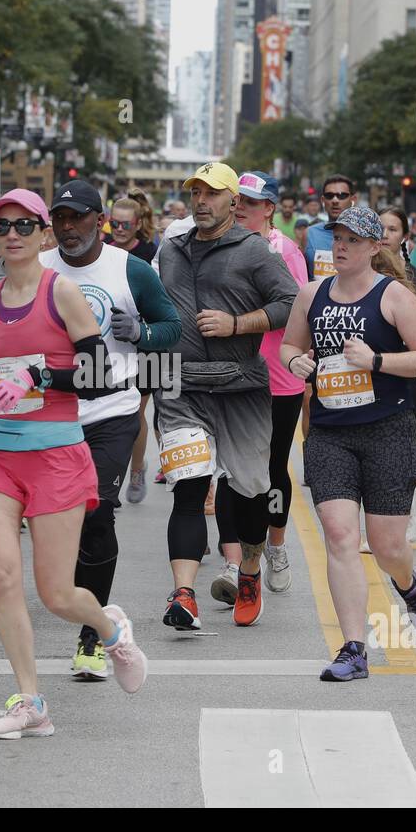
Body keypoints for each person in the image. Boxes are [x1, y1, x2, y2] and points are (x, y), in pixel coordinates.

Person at [0, 190, 145, 736]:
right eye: (1, 226)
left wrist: (38, 377)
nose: (11, 234)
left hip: (56, 454)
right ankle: (30, 702)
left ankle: (110, 631)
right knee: (2, 577)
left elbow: (98, 374)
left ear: (43, 234)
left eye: (24, 225)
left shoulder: (62, 292)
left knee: (57, 594)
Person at [280, 206, 416, 680]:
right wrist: (296, 365)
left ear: (375, 247)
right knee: (340, 535)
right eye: (337, 237)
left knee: (387, 545)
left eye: (353, 239)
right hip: (329, 433)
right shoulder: (312, 295)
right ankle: (353, 648)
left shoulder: (393, 297)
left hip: (387, 430)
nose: (342, 246)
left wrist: (376, 361)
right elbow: (290, 346)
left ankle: (409, 589)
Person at [42, 179, 180, 679]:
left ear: (99, 222)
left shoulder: (131, 270)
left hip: (112, 409)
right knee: (54, 518)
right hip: (50, 410)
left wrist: (140, 332)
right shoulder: (38, 269)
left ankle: (93, 636)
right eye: (59, 218)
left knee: (96, 509)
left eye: (77, 218)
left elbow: (173, 328)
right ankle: (78, 601)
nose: (67, 227)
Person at [155, 162, 298, 629]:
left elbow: (290, 304)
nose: (201, 200)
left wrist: (238, 323)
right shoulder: (171, 250)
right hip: (182, 387)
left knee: (253, 491)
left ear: (233, 202)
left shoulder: (255, 251)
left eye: (212, 193)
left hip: (241, 385)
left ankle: (251, 568)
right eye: (195, 192)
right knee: (190, 486)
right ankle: (183, 595)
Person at [211, 171, 307, 596]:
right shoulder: (218, 245)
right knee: (231, 468)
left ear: (269, 208)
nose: (241, 208)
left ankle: (277, 543)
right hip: (231, 374)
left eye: (249, 202)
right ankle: (232, 565)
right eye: (237, 201)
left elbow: (296, 308)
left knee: (271, 470)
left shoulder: (285, 251)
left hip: (279, 377)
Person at [304, 175, 357, 281]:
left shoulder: (365, 235)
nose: (335, 200)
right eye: (329, 195)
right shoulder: (309, 233)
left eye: (342, 196)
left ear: (353, 199)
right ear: (323, 200)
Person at [379, 206, 416, 301]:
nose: (384, 235)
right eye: (380, 228)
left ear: (405, 237)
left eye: (392, 229)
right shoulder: (360, 272)